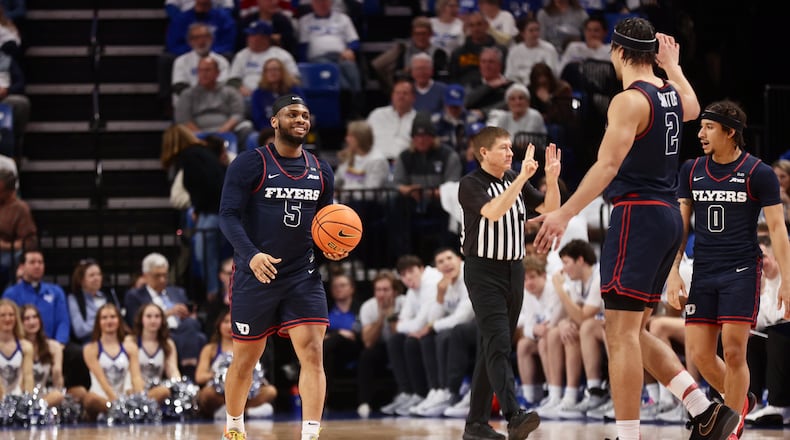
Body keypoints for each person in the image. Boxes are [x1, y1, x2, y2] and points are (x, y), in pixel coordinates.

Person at [532, 18, 739, 440]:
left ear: (618, 52)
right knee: (634, 331)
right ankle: (705, 411)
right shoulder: (667, 92)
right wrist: (675, 68)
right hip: (665, 217)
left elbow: (607, 166)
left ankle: (628, 436)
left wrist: (565, 213)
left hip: (637, 216)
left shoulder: (628, 100)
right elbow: (694, 108)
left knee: (619, 336)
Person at [218, 94, 343, 440]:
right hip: (256, 273)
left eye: (305, 114)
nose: (300, 119)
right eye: (292, 114)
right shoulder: (250, 163)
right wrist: (252, 255)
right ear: (274, 121)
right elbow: (227, 216)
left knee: (313, 352)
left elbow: (325, 222)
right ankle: (234, 428)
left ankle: (311, 434)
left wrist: (329, 249)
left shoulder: (321, 169)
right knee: (245, 359)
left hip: (301, 275)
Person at [666, 100, 790, 438]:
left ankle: (732, 424)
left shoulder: (758, 172)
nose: (700, 133)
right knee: (700, 355)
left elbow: (777, 229)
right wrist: (674, 270)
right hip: (703, 270)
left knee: (734, 350)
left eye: (708, 127)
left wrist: (788, 281)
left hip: (741, 270)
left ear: (730, 132)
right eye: (701, 127)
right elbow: (682, 224)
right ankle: (740, 399)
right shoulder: (691, 169)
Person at [458, 125, 561, 440]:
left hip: (514, 270)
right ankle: (514, 415)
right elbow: (492, 212)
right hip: (482, 271)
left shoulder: (512, 180)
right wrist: (521, 179)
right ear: (484, 152)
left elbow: (549, 208)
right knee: (500, 342)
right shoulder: (470, 184)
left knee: (491, 346)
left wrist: (553, 180)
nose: (511, 153)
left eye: (510, 148)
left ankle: (475, 425)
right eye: (504, 147)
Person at [123, 252, 207, 379]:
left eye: (165, 275)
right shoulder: (135, 295)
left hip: (183, 329)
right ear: (146, 276)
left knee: (192, 325)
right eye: (157, 276)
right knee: (192, 336)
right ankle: (189, 376)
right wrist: (167, 313)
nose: (162, 280)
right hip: (158, 332)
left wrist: (189, 314)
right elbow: (135, 320)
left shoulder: (178, 291)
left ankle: (188, 374)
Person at [195, 307, 277, 420]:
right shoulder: (210, 349)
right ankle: (242, 412)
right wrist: (220, 376)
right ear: (218, 324)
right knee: (206, 394)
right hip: (219, 394)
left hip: (245, 393)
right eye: (225, 322)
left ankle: (234, 413)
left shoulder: (249, 348)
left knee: (270, 391)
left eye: (233, 322)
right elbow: (199, 377)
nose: (230, 326)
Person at [81, 303, 145, 421]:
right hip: (102, 398)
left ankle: (123, 412)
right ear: (98, 323)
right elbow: (101, 380)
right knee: (89, 399)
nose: (109, 321)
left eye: (113, 317)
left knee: (161, 392)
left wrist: (140, 399)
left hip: (125, 397)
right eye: (104, 318)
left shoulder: (130, 347)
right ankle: (117, 412)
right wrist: (115, 402)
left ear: (119, 321)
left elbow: (136, 377)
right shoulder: (90, 349)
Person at [356, 270, 404, 417]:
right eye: (378, 290)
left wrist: (391, 315)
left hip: (401, 347)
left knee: (400, 345)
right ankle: (364, 402)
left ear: (395, 291)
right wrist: (381, 316)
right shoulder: (368, 307)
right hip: (380, 347)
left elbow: (400, 334)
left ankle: (404, 395)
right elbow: (368, 342)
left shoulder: (404, 302)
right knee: (366, 355)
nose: (381, 294)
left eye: (386, 290)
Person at [227, 20, 299, 105]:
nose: (249, 38)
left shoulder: (281, 54)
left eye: (253, 35)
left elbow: (294, 78)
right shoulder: (242, 55)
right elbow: (233, 79)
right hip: (246, 97)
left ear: (265, 38)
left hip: (274, 96)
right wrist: (241, 88)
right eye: (249, 35)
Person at [125, 303, 182, 403]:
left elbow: (173, 369)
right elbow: (128, 373)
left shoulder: (168, 343)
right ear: (141, 319)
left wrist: (179, 385)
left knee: (164, 392)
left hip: (156, 391)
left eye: (157, 316)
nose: (153, 320)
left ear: (162, 320)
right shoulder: (130, 341)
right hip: (134, 389)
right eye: (149, 316)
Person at [67, 259, 121, 345]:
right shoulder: (74, 299)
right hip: (90, 344)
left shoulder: (109, 295)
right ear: (81, 280)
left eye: (99, 274)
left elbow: (119, 321)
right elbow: (80, 330)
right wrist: (106, 324)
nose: (97, 278)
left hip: (114, 342)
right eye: (92, 275)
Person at [21, 304, 66, 407]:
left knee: (57, 395)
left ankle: (34, 409)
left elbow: (58, 381)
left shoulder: (53, 347)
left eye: (35, 317)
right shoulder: (18, 346)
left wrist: (57, 371)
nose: (32, 322)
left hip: (43, 398)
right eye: (27, 318)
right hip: (21, 396)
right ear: (20, 323)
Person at [0, 169, 35, 289]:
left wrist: (5, 245)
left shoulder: (20, 209)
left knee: (17, 257)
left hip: (6, 253)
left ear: (9, 192)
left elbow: (28, 242)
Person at [367, 78, 417, 161]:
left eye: (405, 93)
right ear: (392, 96)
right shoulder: (377, 114)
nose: (401, 96)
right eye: (397, 93)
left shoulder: (419, 118)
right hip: (374, 162)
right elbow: (362, 139)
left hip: (404, 164)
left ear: (413, 98)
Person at [333, 120, 389, 193]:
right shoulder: (349, 156)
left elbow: (370, 192)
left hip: (367, 203)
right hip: (346, 201)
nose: (346, 139)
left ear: (360, 138)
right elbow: (336, 181)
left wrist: (343, 193)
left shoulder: (377, 160)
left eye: (350, 136)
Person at [249, 58, 304, 131]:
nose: (272, 73)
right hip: (267, 131)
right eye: (269, 70)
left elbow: (301, 112)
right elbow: (258, 118)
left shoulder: (294, 91)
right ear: (264, 74)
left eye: (275, 69)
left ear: (282, 72)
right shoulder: (258, 94)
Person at [504, 17, 560, 86]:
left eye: (537, 30)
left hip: (541, 85)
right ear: (523, 33)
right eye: (531, 31)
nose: (535, 33)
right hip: (519, 86)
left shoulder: (549, 49)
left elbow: (553, 73)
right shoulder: (514, 51)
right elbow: (509, 75)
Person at [0, 299, 33, 399]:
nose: (7, 319)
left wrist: (29, 401)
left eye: (11, 315)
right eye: (3, 315)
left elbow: (28, 377)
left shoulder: (26, 347)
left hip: (18, 400)